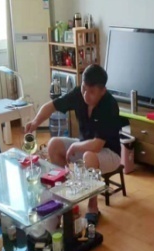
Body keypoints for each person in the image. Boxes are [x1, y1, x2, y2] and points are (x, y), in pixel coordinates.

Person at [24, 64, 122, 225]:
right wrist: (35, 122)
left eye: (91, 92)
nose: (86, 95)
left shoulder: (110, 105)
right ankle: (65, 197)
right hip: (85, 145)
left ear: (102, 91)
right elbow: (51, 106)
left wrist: (75, 147)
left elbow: (97, 145)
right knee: (53, 144)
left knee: (89, 156)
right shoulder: (78, 94)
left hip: (109, 152)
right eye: (84, 88)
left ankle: (93, 207)